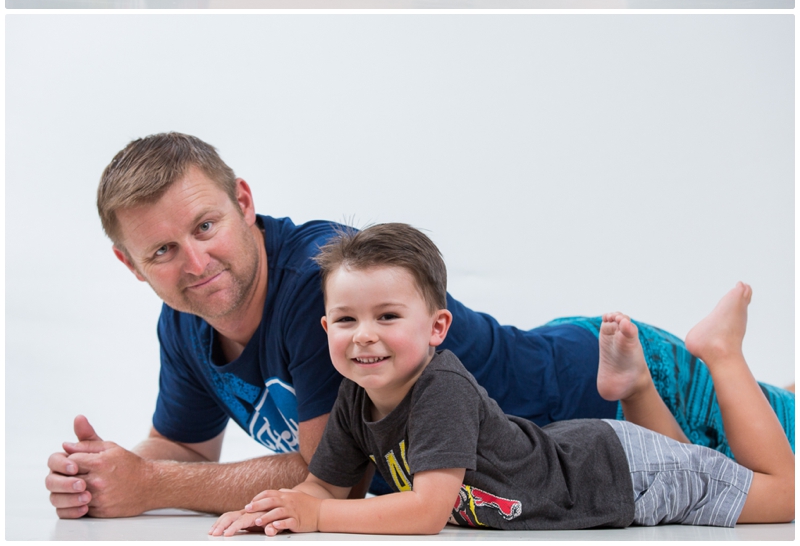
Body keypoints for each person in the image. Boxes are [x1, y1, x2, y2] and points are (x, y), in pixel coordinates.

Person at [44, 135, 794, 521]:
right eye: (163, 250)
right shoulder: (185, 318)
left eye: (205, 224)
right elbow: (179, 448)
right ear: (130, 263)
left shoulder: (318, 288)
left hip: (608, 395)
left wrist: (153, 486)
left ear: (243, 199)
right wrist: (106, 475)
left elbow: (338, 475)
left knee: (781, 476)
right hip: (581, 427)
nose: (195, 260)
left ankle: (720, 359)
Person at [211, 225, 795, 536]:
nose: (364, 335)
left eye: (387, 317)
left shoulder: (441, 386)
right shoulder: (353, 399)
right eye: (345, 320)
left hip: (617, 476)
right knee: (694, 464)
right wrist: (281, 508)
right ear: (325, 327)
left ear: (438, 326)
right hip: (600, 456)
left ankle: (720, 354)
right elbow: (326, 491)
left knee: (782, 496)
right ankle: (636, 389)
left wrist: (317, 516)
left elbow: (424, 513)